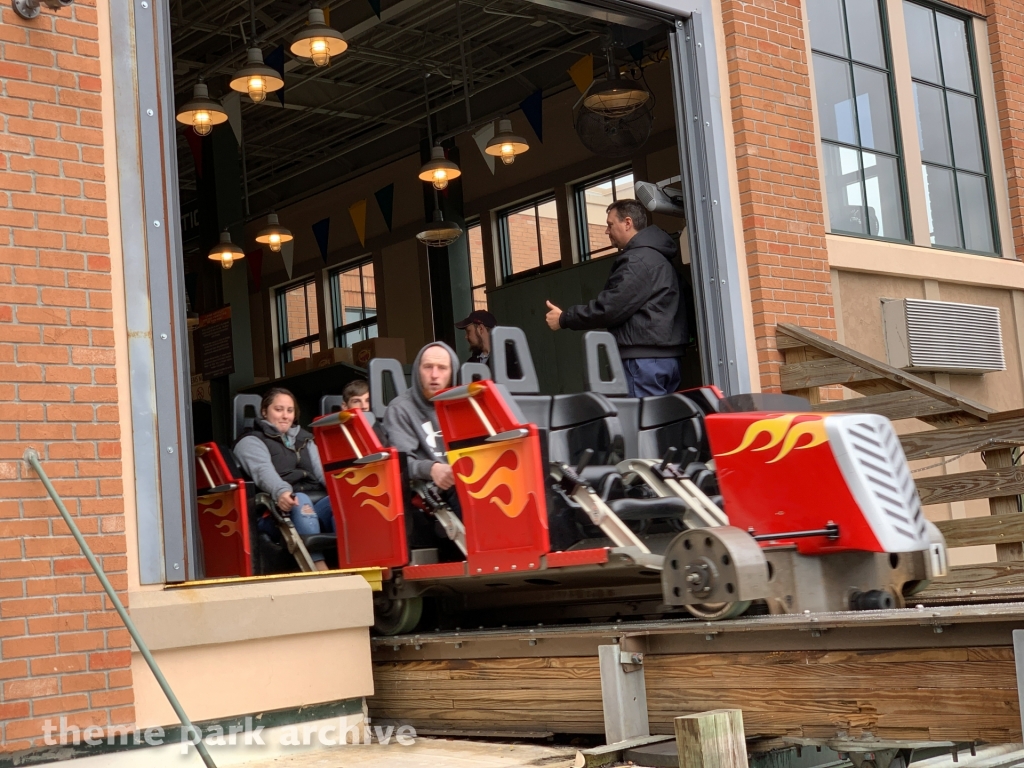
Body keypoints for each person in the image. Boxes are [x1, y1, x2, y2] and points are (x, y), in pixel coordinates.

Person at [544, 199, 686, 397]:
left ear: (628, 223)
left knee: (639, 424)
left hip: (642, 363)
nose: (606, 231)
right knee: (662, 423)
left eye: (610, 225)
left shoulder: (637, 260)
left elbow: (611, 307)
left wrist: (564, 318)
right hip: (667, 361)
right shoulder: (661, 258)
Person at [234, 388, 334, 571]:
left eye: (290, 410)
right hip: (276, 510)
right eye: (278, 409)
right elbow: (263, 471)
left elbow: (323, 472)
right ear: (264, 411)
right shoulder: (251, 441)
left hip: (315, 503)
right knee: (300, 500)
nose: (285, 416)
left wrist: (341, 492)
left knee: (340, 503)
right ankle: (319, 566)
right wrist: (282, 491)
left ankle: (354, 559)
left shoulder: (305, 439)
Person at [383, 342, 459, 490]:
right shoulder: (400, 409)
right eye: (428, 367)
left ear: (452, 373)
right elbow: (399, 465)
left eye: (442, 368)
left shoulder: (465, 405)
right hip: (431, 494)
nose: (434, 375)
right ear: (418, 371)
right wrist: (432, 469)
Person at [343, 378, 388, 445]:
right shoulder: (336, 431)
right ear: (345, 406)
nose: (364, 406)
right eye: (356, 401)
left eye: (368, 400)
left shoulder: (383, 429)